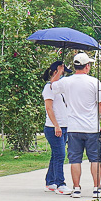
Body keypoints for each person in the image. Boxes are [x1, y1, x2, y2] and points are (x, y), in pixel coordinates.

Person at [54, 51, 101, 198]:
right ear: (87, 66)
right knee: (95, 159)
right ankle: (97, 188)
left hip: (73, 127)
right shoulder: (94, 82)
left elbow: (53, 86)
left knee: (75, 159)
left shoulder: (66, 81)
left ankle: (76, 188)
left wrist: (59, 72)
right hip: (91, 127)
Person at [40, 61, 69, 193]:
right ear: (55, 72)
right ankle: (60, 184)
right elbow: (49, 108)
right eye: (62, 72)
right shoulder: (48, 88)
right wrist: (56, 125)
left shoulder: (58, 89)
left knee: (56, 155)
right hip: (54, 127)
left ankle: (50, 181)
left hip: (64, 126)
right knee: (60, 156)